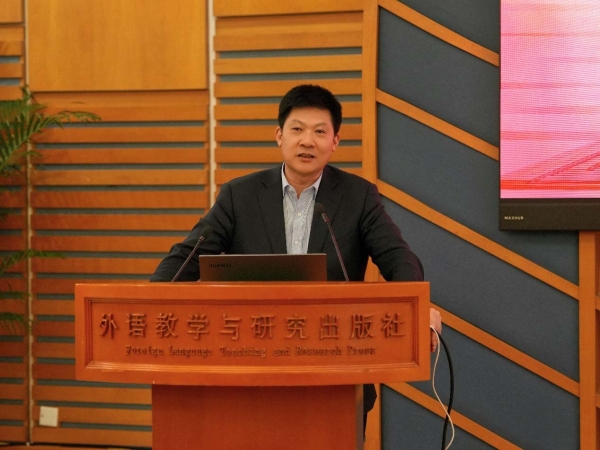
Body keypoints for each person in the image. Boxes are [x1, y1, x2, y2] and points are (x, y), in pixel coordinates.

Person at [151, 84, 442, 429]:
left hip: (336, 370)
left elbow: (398, 258)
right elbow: (187, 256)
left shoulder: (358, 196)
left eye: (320, 132)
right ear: (279, 136)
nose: (307, 141)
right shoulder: (239, 196)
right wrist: (150, 300)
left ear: (335, 141)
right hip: (250, 370)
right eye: (297, 129)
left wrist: (415, 306)